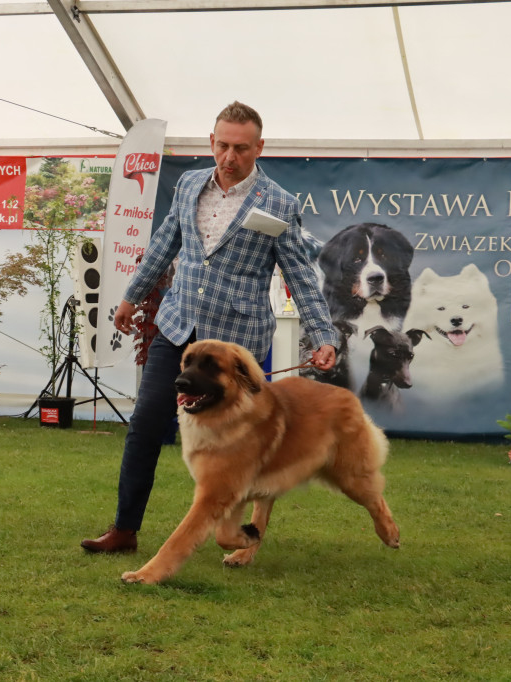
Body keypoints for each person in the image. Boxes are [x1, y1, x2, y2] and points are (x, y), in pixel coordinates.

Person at [81, 102, 339, 554]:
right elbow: (164, 244)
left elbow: (299, 274)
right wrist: (130, 297)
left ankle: (242, 529)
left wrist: (323, 336)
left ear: (259, 147)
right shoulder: (187, 185)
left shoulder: (280, 203)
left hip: (237, 346)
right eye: (222, 145)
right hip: (180, 329)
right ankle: (124, 529)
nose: (229, 156)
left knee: (242, 443)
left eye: (241, 148)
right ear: (211, 141)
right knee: (144, 427)